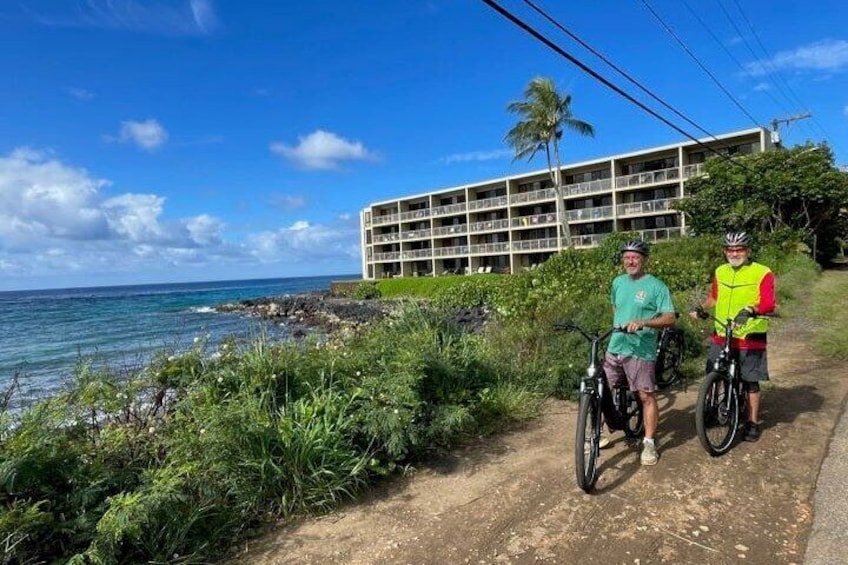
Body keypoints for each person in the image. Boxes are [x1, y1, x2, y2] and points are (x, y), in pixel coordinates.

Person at [692, 232, 775, 442]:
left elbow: (768, 303)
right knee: (713, 371)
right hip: (722, 332)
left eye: (739, 249)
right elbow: (714, 297)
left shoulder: (762, 272)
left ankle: (752, 422)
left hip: (749, 333)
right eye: (730, 249)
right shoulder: (720, 271)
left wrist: (750, 309)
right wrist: (700, 308)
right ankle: (712, 408)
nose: (735, 253)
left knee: (750, 381)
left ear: (748, 250)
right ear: (724, 251)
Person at [603, 240, 677, 465]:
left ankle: (649, 443)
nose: (630, 261)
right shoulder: (617, 282)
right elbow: (616, 306)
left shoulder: (656, 286)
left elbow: (669, 317)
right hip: (615, 346)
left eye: (635, 257)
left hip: (640, 350)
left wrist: (643, 322)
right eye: (627, 257)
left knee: (645, 396)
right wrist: (621, 322)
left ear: (644, 259)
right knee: (602, 390)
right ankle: (599, 433)